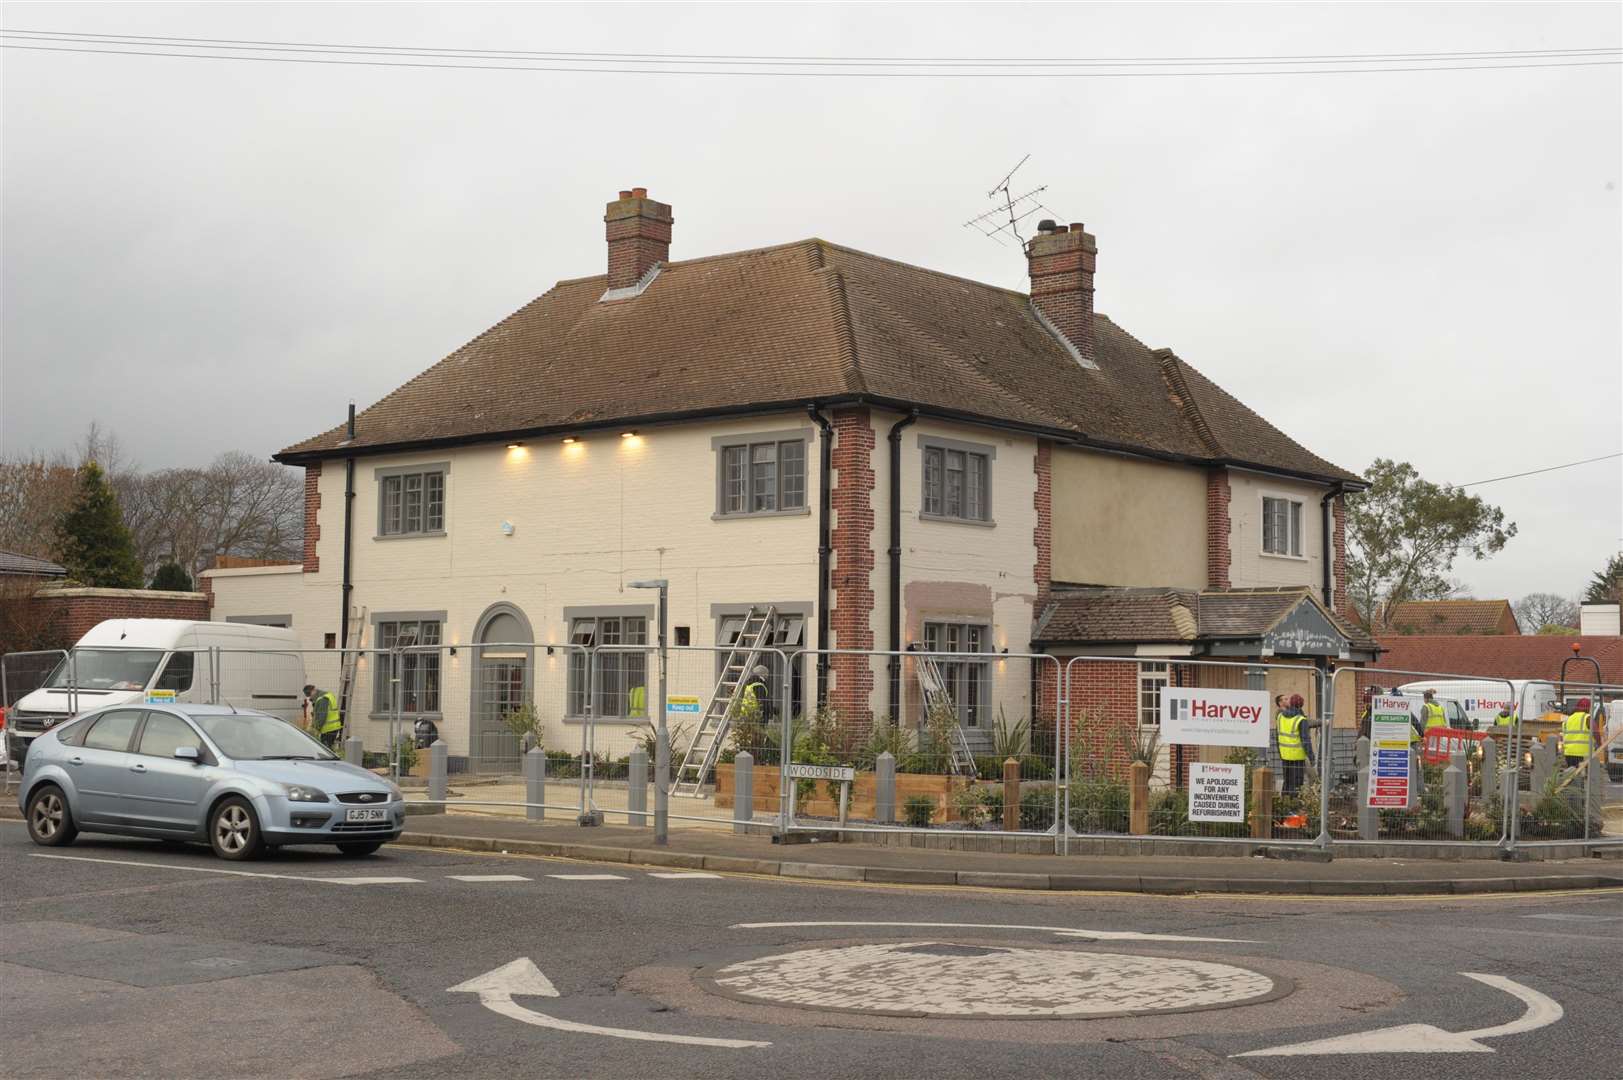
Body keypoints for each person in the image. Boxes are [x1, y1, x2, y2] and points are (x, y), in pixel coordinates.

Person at [1276, 693, 1318, 795]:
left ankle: (1285, 805)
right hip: (1297, 756)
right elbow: (1306, 740)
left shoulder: (1280, 717)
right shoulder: (1300, 719)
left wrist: (1280, 753)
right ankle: (1294, 807)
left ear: (1290, 703)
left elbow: (1278, 736)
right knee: (1296, 783)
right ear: (1301, 705)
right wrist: (1311, 757)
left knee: (1287, 782)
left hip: (1285, 755)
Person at [303, 684, 343, 749]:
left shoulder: (322, 699)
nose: (310, 697)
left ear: (314, 690)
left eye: (310, 695)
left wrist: (315, 730)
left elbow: (322, 717)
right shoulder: (327, 695)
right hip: (333, 728)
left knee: (325, 750)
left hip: (328, 729)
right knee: (328, 749)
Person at [1562, 697, 1594, 770]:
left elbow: (1564, 734)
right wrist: (1600, 743)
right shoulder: (1587, 718)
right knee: (1582, 776)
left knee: (1571, 774)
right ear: (1588, 708)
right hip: (1582, 754)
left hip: (1569, 753)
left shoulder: (1568, 719)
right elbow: (1596, 733)